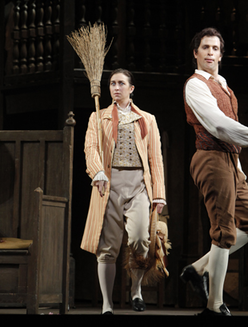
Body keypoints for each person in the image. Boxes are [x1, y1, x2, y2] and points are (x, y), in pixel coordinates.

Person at [180, 27, 248, 317]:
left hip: (229, 162)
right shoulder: (195, 85)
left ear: (221, 54)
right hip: (210, 158)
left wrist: (238, 167)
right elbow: (219, 125)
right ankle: (214, 306)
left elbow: (229, 131)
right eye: (205, 48)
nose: (210, 53)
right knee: (223, 231)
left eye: (215, 48)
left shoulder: (223, 83)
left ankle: (196, 269)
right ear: (196, 53)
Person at [81, 68, 166, 315]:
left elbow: (156, 159)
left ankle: (136, 291)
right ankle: (107, 304)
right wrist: (97, 172)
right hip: (109, 185)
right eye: (112, 83)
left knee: (140, 239)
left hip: (138, 185)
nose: (115, 87)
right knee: (107, 247)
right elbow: (91, 148)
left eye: (121, 83)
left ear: (131, 89)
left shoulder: (147, 119)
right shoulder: (98, 117)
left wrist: (159, 193)